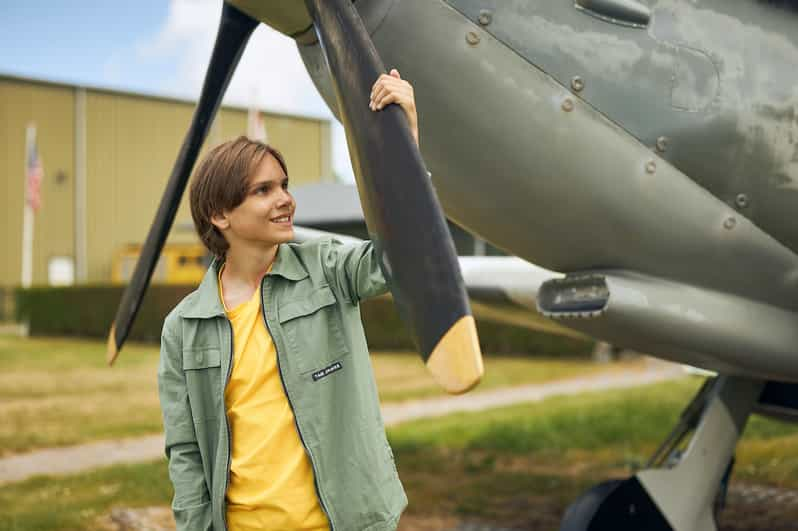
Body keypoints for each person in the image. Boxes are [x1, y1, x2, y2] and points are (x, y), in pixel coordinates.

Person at [157, 69, 418, 531]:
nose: (286, 200)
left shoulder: (328, 268)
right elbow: (186, 452)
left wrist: (405, 143)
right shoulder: (184, 326)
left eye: (284, 185)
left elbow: (400, 256)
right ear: (220, 214)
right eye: (263, 190)